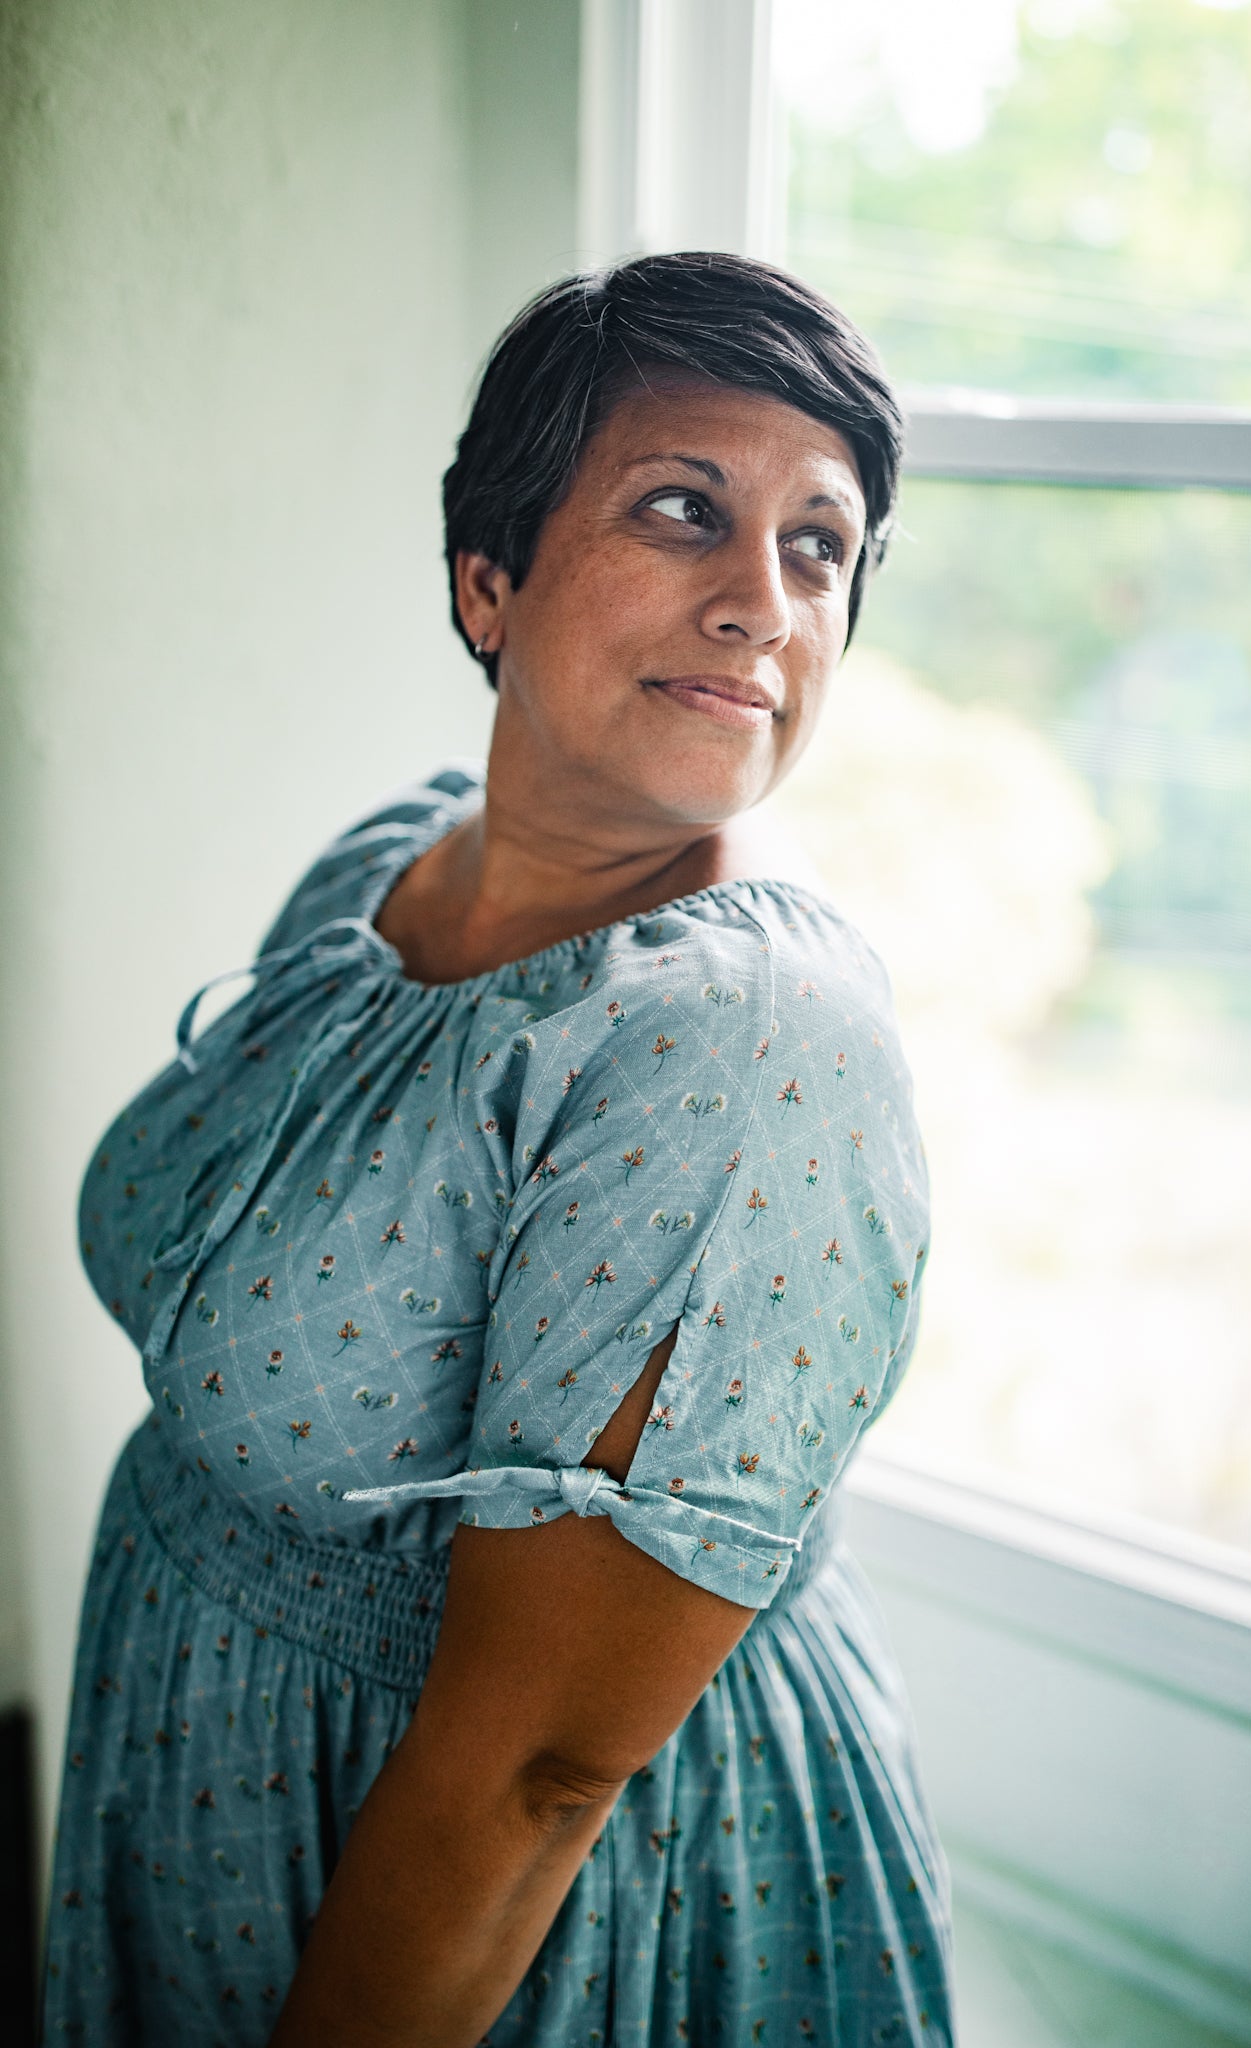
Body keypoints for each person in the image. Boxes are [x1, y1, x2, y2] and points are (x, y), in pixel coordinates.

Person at [42, 251, 954, 2046]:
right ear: (489, 577)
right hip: (214, 1778)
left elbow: (537, 1771)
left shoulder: (740, 1043)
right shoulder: (392, 862)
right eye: (684, 510)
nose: (763, 602)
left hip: (509, 1916)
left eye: (820, 545)